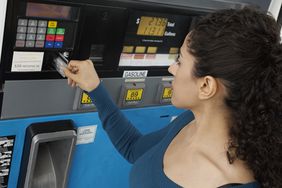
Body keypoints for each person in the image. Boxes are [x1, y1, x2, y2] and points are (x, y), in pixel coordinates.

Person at [64, 7, 282, 188]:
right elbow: (134, 148)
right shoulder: (190, 123)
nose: (171, 68)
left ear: (206, 85)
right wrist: (94, 87)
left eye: (180, 61)